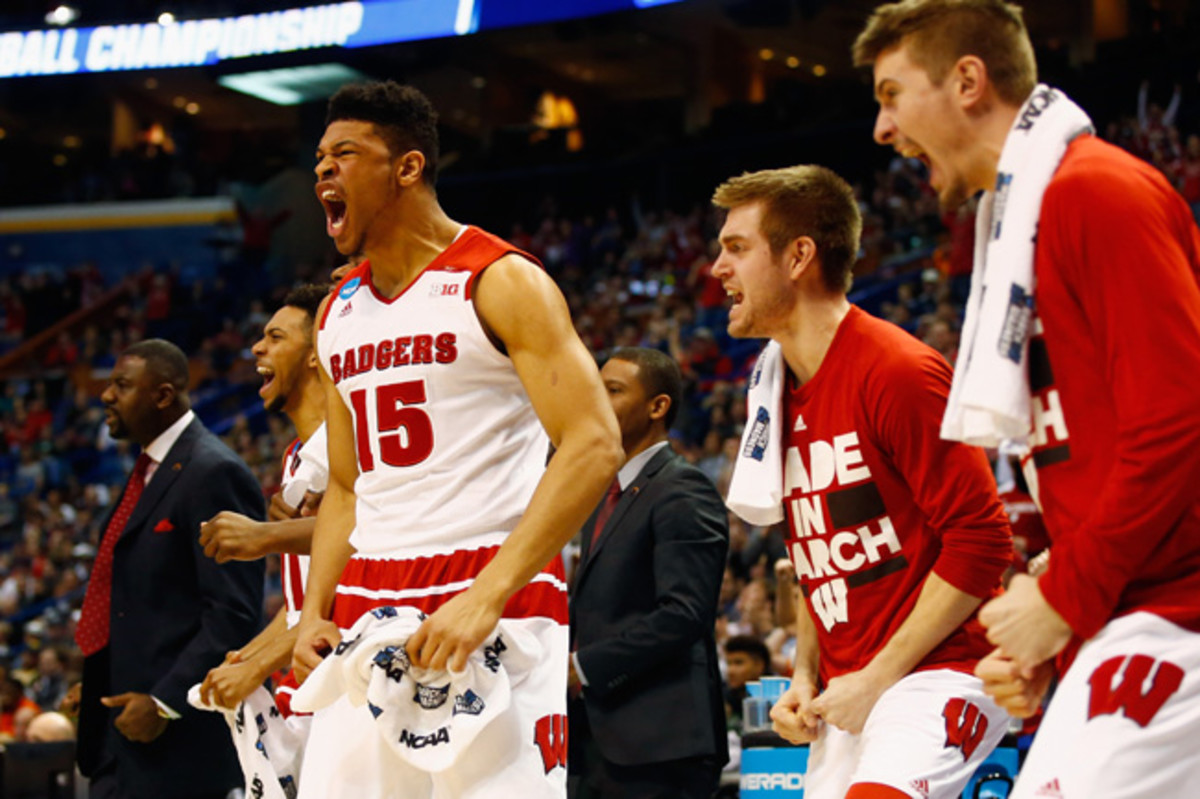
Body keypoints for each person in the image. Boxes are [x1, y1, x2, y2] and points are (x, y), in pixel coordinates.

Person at [854, 2, 1200, 796]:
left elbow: (1179, 422)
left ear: (968, 82)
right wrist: (1058, 619)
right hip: (1128, 610)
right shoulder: (1017, 225)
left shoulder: (1096, 193)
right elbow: (1089, 449)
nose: (881, 128)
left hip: (1176, 609)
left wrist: (1061, 597)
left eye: (892, 93)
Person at [293, 81, 622, 798]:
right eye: (318, 158)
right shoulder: (336, 310)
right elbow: (348, 484)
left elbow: (595, 442)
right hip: (368, 596)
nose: (322, 170)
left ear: (407, 167)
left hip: (488, 587)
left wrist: (488, 593)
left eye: (344, 154)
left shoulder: (501, 279)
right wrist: (315, 609)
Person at [715, 165, 1013, 799]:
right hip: (852, 688)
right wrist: (803, 672)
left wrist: (877, 676)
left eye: (736, 248)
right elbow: (814, 552)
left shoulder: (898, 369)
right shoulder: (772, 388)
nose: (716, 268)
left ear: (798, 256)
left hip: (940, 672)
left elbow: (984, 541)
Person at [74, 338, 264, 799]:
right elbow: (140, 601)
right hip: (120, 738)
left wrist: (165, 702)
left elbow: (232, 613)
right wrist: (102, 677)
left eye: (122, 385)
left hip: (178, 751)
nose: (106, 395)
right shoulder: (148, 469)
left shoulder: (212, 471)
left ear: (162, 395)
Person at [568, 346, 729, 799]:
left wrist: (583, 667)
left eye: (613, 391)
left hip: (661, 744)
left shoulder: (682, 487)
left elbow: (683, 613)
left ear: (658, 406)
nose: (597, 401)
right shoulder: (605, 494)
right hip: (596, 739)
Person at [198, 283, 329, 713]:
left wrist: (267, 536)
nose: (256, 348)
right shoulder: (296, 458)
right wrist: (246, 658)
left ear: (316, 353)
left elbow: (361, 572)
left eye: (276, 338)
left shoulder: (353, 447)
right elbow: (300, 605)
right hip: (315, 675)